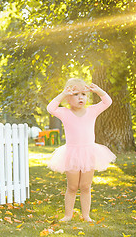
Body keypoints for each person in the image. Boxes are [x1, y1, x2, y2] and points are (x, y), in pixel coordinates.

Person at [47, 78, 116, 223]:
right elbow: (50, 108)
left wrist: (98, 91)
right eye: (76, 94)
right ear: (68, 97)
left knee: (85, 186)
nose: (80, 97)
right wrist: (62, 94)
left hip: (88, 152)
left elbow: (107, 102)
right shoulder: (64, 112)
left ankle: (86, 216)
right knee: (72, 187)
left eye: (83, 94)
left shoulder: (92, 110)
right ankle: (68, 215)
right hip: (71, 153)